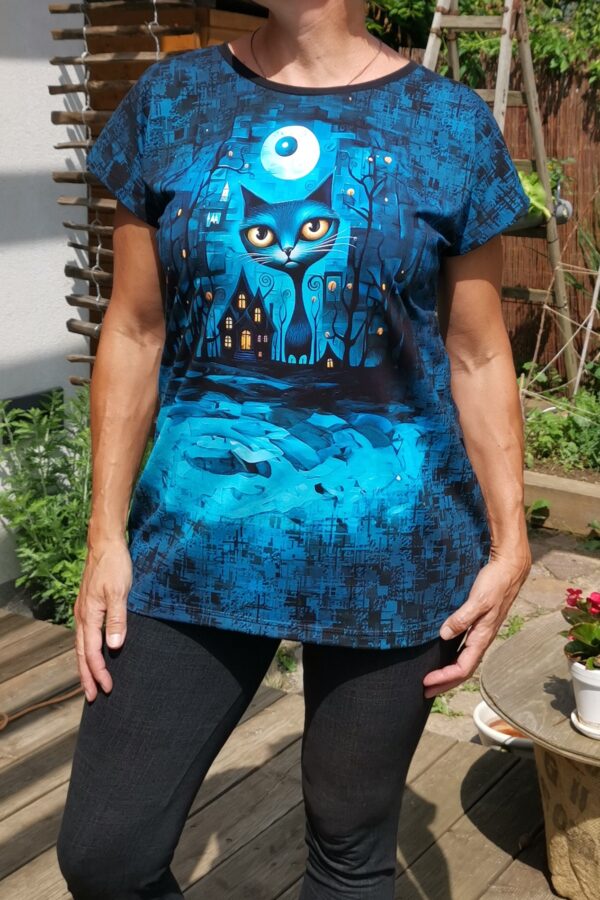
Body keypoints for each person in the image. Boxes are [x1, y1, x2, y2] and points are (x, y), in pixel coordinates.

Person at [56, 0, 532, 897]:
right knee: (105, 852)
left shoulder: (450, 123)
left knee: (350, 850)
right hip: (192, 538)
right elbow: (134, 329)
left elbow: (476, 352)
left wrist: (511, 544)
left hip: (391, 547)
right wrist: (104, 534)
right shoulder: (172, 99)